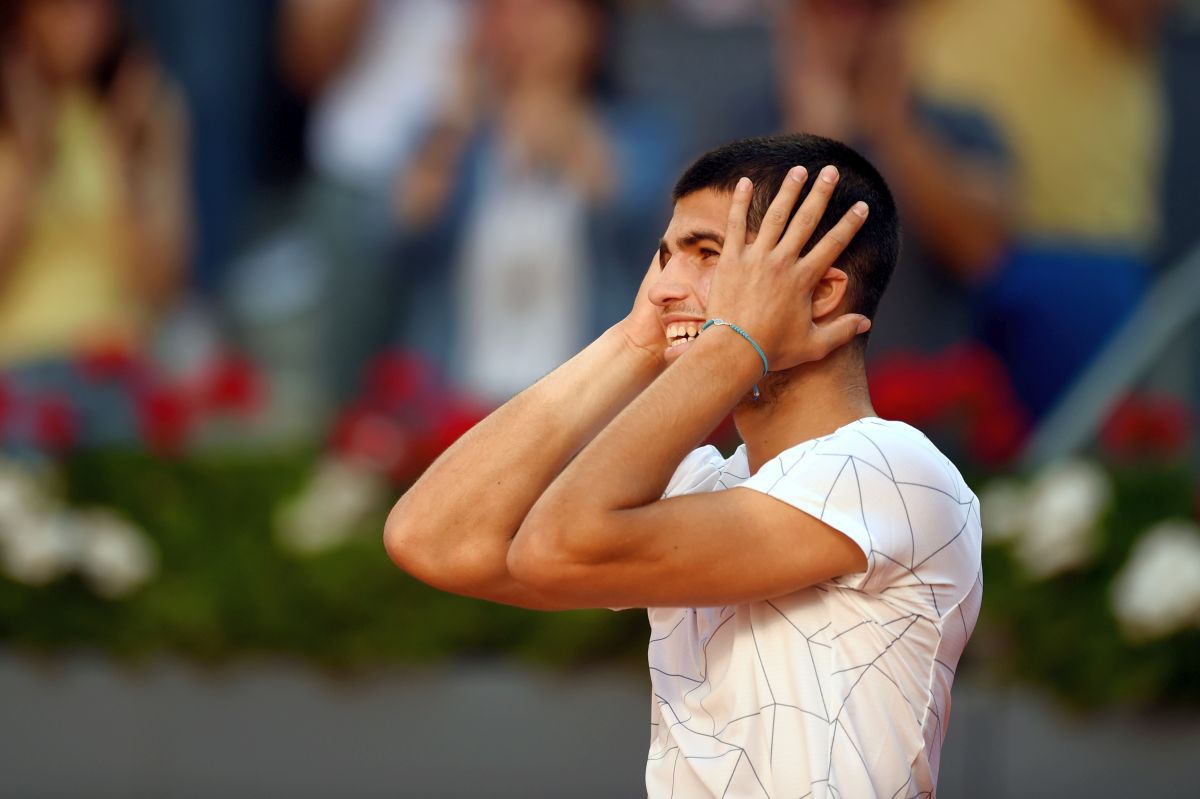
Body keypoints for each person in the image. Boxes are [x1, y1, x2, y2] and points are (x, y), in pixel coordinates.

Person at [384, 133, 982, 797]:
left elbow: (559, 543)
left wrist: (735, 343)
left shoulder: (893, 470)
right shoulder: (706, 482)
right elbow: (434, 538)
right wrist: (633, 341)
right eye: (663, 258)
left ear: (821, 292)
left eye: (707, 255)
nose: (664, 286)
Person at [0, 0, 190, 365]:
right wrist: (30, 163)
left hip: (118, 360)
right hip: (19, 366)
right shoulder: (11, 124)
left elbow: (163, 290)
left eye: (99, 8)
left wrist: (124, 168)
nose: (87, 25)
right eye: (64, 9)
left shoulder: (144, 113)